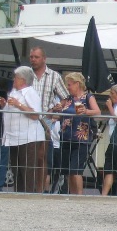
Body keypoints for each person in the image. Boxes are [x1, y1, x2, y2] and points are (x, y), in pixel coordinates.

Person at [0, 66, 46, 193]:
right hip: (14, 137)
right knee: (17, 170)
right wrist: (4, 105)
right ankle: (18, 195)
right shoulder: (14, 92)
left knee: (28, 171)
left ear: (23, 80)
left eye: (16, 77)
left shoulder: (30, 92)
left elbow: (35, 114)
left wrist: (18, 104)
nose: (13, 79)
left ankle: (29, 196)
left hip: (28, 138)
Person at [29, 46, 69, 181]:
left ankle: (40, 187)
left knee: (42, 156)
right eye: (31, 57)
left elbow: (65, 97)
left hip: (45, 120)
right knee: (28, 155)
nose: (33, 59)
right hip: (27, 118)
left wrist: (56, 108)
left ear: (44, 59)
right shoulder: (27, 74)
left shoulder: (54, 76)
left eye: (36, 57)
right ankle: (28, 185)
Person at [57, 72, 100, 195]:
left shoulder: (88, 97)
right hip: (66, 137)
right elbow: (57, 111)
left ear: (77, 84)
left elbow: (97, 111)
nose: (68, 87)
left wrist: (86, 111)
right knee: (68, 171)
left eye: (69, 84)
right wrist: (57, 109)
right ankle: (72, 195)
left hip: (81, 138)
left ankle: (79, 196)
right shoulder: (68, 99)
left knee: (76, 170)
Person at [101, 83, 117, 196]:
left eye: (112, 93)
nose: (110, 96)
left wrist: (110, 107)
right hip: (112, 139)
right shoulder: (116, 105)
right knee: (109, 167)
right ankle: (104, 194)